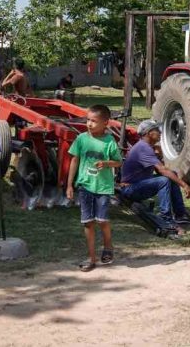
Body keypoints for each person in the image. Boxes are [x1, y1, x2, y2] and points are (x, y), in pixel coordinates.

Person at [66, 104, 122, 271]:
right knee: (88, 223)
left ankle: (108, 247)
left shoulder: (109, 141)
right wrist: (69, 184)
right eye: (88, 120)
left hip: (103, 187)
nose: (89, 124)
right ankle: (91, 259)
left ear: (105, 123)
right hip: (85, 185)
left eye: (94, 121)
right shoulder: (81, 139)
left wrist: (106, 163)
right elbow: (74, 160)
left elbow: (118, 161)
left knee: (102, 220)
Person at [119, 119, 190, 232]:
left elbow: (161, 170)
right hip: (129, 189)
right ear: (148, 133)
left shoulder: (146, 147)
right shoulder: (143, 148)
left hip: (137, 185)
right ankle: (166, 219)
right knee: (163, 180)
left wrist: (159, 156)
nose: (160, 132)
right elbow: (162, 171)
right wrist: (184, 185)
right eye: (157, 130)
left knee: (172, 175)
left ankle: (181, 215)